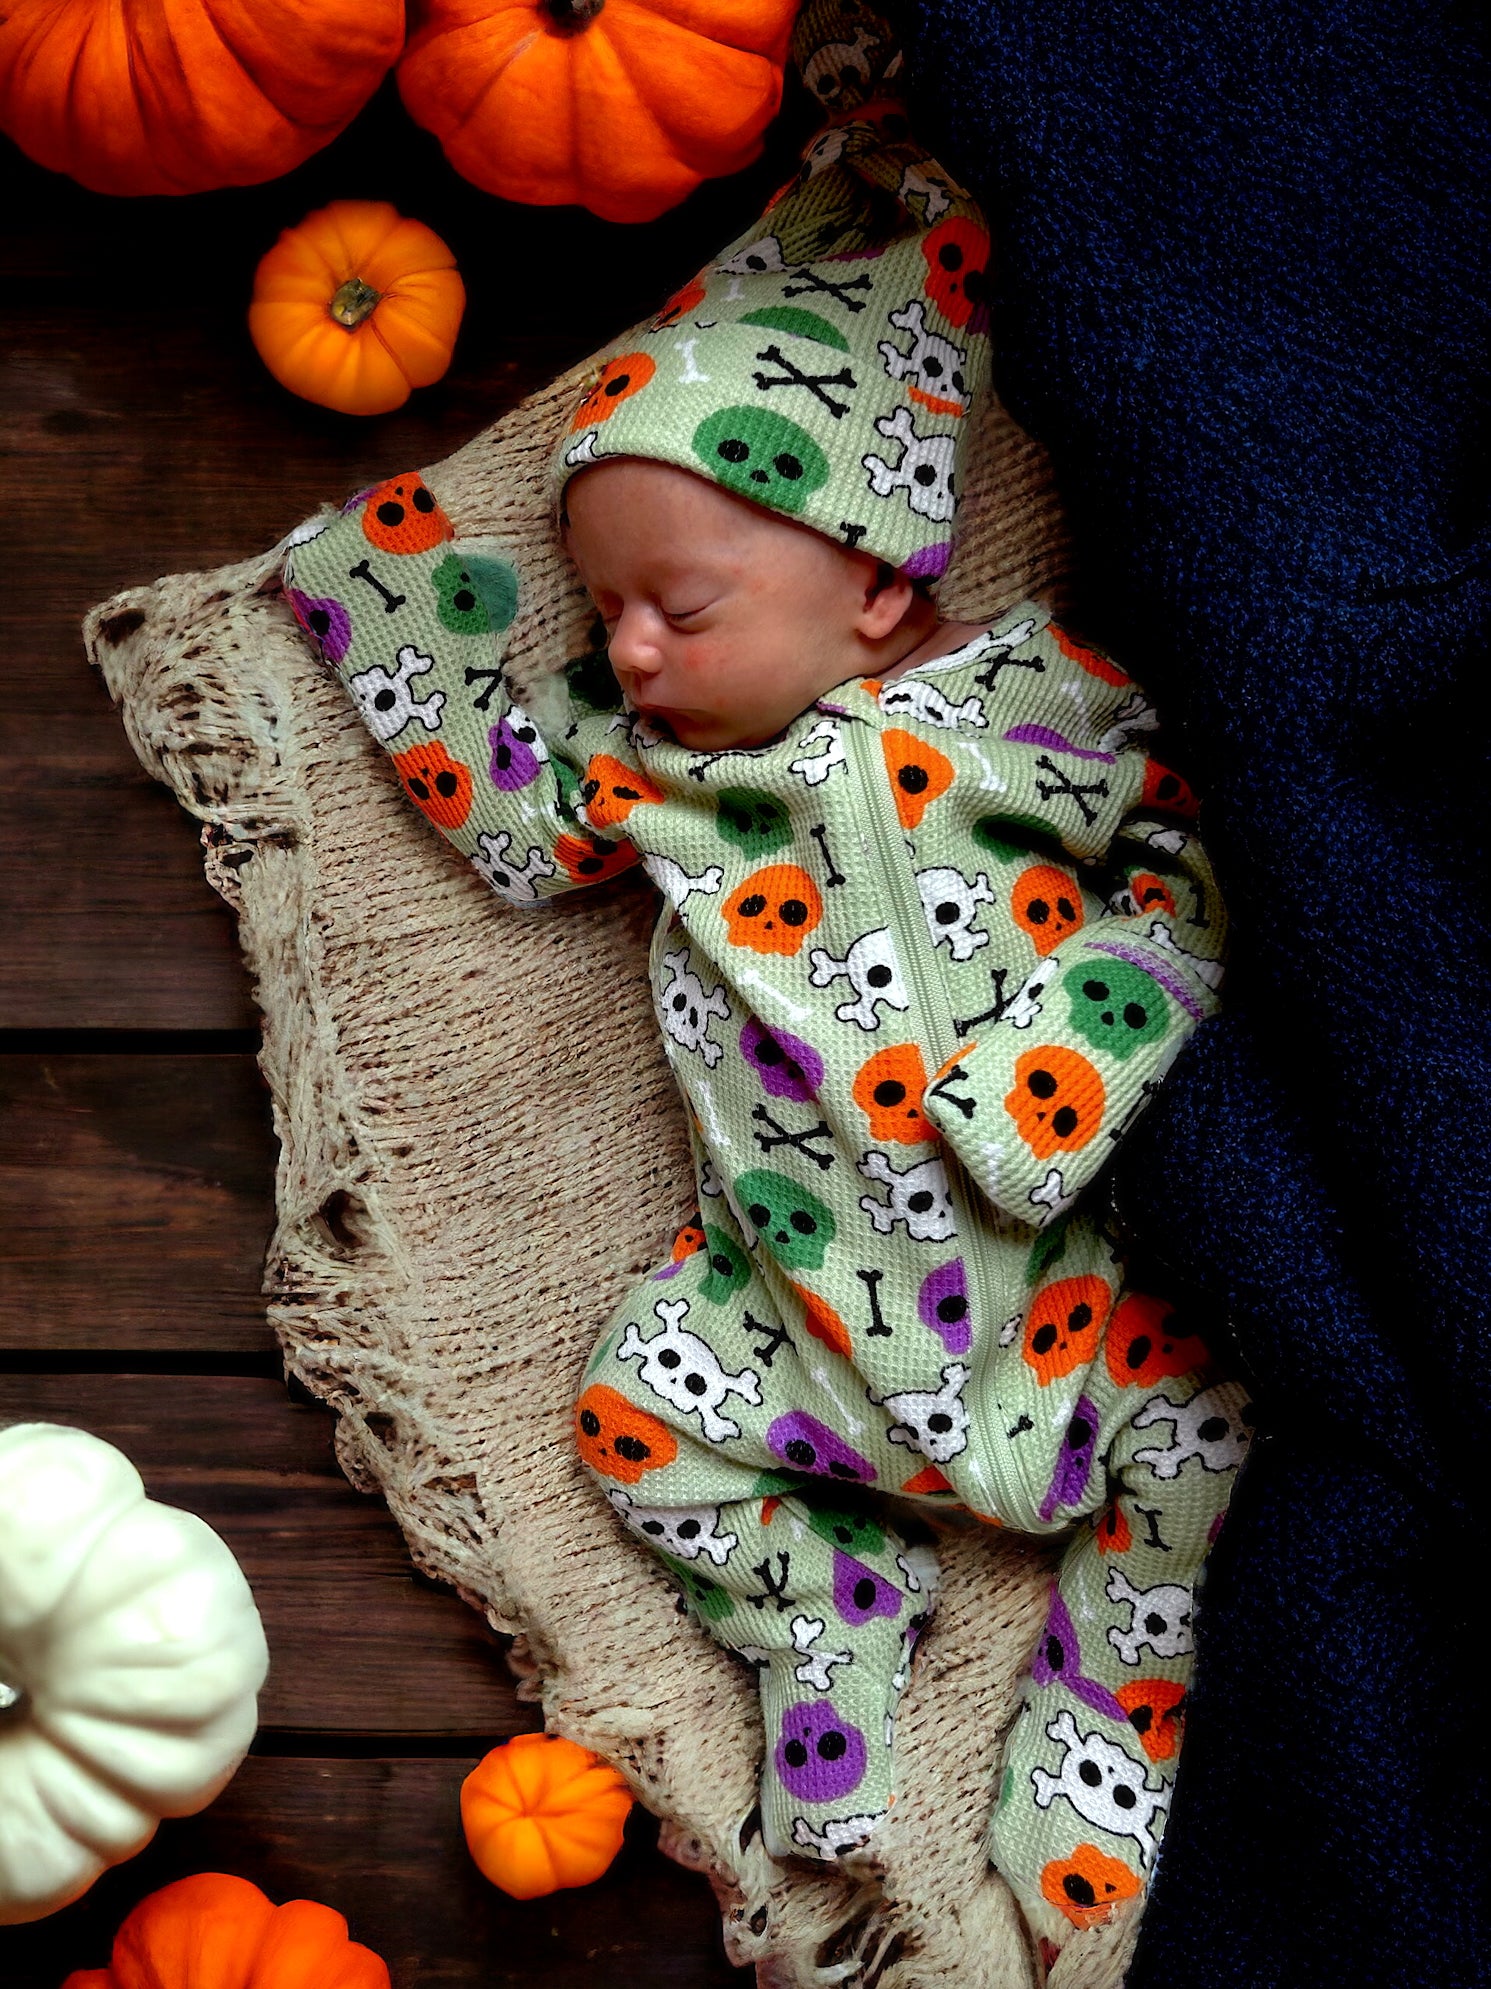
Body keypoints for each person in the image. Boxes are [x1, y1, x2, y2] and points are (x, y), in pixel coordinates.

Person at [282, 92, 1249, 1961]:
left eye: (677, 604)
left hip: (1067, 1280)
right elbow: (502, 796)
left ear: (880, 578)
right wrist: (364, 579)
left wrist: (1076, 1049)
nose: (628, 649)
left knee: (1198, 1449)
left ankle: (1089, 1757)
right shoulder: (655, 780)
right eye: (605, 610)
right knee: (639, 1421)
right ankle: (830, 1612)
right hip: (799, 1304)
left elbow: (1193, 865)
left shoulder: (1028, 707)